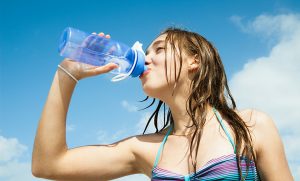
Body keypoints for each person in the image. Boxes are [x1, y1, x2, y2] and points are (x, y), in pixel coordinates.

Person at [32, 28, 293, 181]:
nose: (147, 58)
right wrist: (66, 75)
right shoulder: (144, 149)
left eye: (159, 49)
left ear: (195, 61)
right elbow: (48, 165)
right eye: (147, 52)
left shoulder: (250, 125)